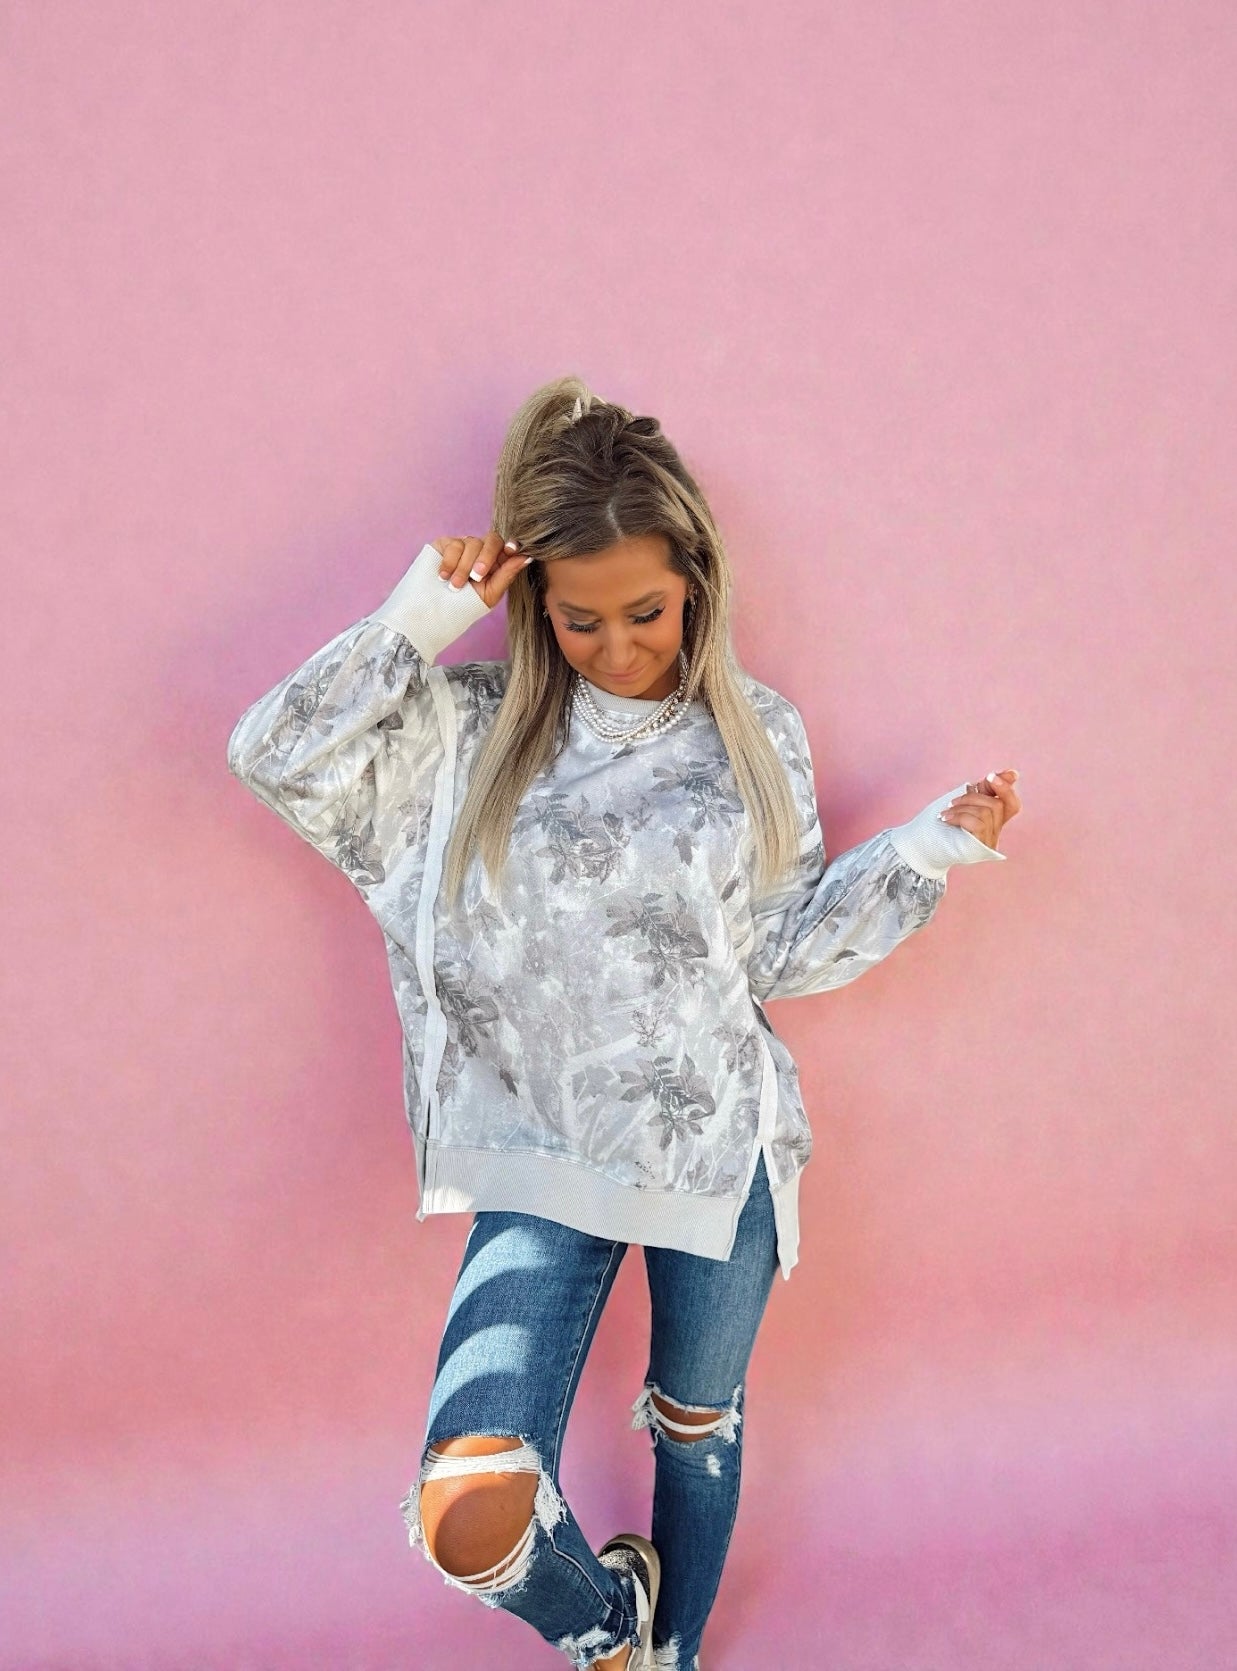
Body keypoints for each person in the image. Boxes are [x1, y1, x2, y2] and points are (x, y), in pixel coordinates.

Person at [226, 376, 1020, 1670]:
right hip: (539, 1159)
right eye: (578, 616)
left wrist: (927, 850)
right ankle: (613, 1632)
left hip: (717, 1151)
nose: (615, 647)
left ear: (695, 583)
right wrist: (419, 616)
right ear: (534, 601)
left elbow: (777, 952)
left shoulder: (753, 734)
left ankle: (672, 1653)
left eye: (644, 611)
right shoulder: (465, 732)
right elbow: (274, 753)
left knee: (694, 1424)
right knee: (468, 1503)